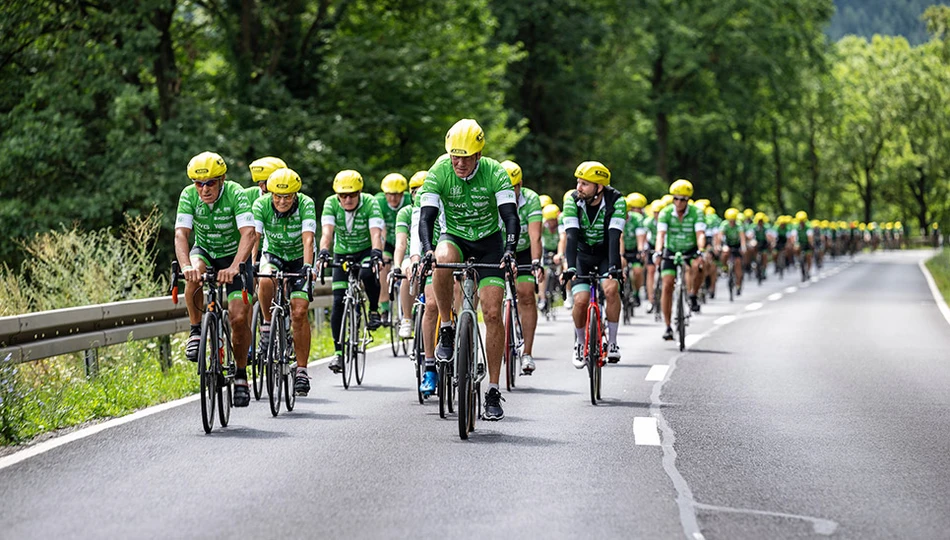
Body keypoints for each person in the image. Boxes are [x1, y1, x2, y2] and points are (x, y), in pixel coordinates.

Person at [418, 118, 520, 421]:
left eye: (465, 157)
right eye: (454, 156)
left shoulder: (495, 172)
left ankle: (492, 388)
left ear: (478, 155)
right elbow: (427, 217)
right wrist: (426, 250)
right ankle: (447, 328)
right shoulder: (439, 171)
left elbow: (510, 217)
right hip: (456, 237)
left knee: (491, 312)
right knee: (441, 255)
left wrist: (510, 251)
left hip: (489, 242)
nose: (459, 163)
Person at [175, 151, 256, 406]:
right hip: (206, 251)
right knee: (193, 275)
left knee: (239, 317)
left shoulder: (236, 193)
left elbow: (249, 234)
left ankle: (241, 375)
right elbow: (181, 235)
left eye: (210, 182)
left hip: (235, 256)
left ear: (221, 180)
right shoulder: (188, 196)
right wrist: (186, 266)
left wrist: (235, 266)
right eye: (199, 183)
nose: (204, 189)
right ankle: (196, 330)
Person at [252, 168, 317, 396]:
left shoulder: (307, 204)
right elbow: (255, 238)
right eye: (277, 196)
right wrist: (251, 264)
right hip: (274, 254)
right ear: (270, 194)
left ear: (295, 195)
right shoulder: (261, 205)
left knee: (299, 312)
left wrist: (309, 267)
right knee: (266, 277)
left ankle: (301, 370)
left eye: (287, 196)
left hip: (300, 258)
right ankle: (268, 324)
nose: (281, 201)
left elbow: (308, 239)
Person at [316, 170, 385, 374]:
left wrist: (376, 253)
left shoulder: (370, 203)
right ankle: (338, 353)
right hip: (342, 253)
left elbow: (376, 233)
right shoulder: (330, 203)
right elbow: (327, 232)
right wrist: (323, 253)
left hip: (365, 251)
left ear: (360, 192)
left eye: (352, 195)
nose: (347, 199)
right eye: (343, 195)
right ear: (337, 195)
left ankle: (373, 309)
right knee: (338, 302)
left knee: (367, 273)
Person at [561, 161, 627, 367]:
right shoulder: (572, 200)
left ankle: (613, 342)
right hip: (581, 255)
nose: (578, 188)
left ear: (599, 187)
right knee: (580, 301)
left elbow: (615, 237)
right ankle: (580, 343)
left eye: (584, 184)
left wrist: (615, 268)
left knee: (610, 289)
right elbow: (571, 237)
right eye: (578, 182)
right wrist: (570, 267)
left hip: (605, 253)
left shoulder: (617, 201)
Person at [501, 159, 543, 375]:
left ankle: (527, 351)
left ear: (520, 185)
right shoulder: (492, 194)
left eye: (514, 188)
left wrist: (536, 262)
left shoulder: (532, 199)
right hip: (499, 247)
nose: (510, 192)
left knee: (526, 294)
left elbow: (536, 236)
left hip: (525, 249)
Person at [654, 179, 706, 341]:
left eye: (682, 199)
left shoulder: (697, 212)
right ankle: (668, 326)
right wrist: (658, 251)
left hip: (690, 248)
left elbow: (700, 234)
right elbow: (661, 235)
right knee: (667, 284)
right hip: (671, 249)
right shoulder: (666, 213)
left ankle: (693, 294)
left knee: (699, 266)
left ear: (688, 200)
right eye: (675, 198)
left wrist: (701, 250)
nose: (678, 202)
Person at [375, 173, 411, 326]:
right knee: (383, 266)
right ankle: (384, 308)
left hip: (407, 240)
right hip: (388, 241)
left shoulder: (410, 200)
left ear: (403, 193)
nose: (393, 199)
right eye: (389, 195)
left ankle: (412, 305)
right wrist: (381, 252)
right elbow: (379, 229)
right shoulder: (379, 202)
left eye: (396, 195)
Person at [622, 192, 648, 307]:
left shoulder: (637, 219)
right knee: (620, 270)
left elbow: (640, 236)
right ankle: (620, 292)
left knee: (637, 271)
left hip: (634, 248)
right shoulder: (615, 219)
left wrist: (641, 250)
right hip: (621, 248)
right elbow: (619, 238)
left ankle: (637, 293)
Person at [719, 208, 747, 295]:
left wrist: (743, 247)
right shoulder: (724, 225)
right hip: (727, 244)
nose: (732, 222)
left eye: (733, 220)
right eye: (730, 220)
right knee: (725, 253)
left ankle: (738, 285)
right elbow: (720, 236)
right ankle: (724, 267)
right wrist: (721, 245)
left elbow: (742, 237)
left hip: (737, 246)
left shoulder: (739, 225)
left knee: (738, 264)